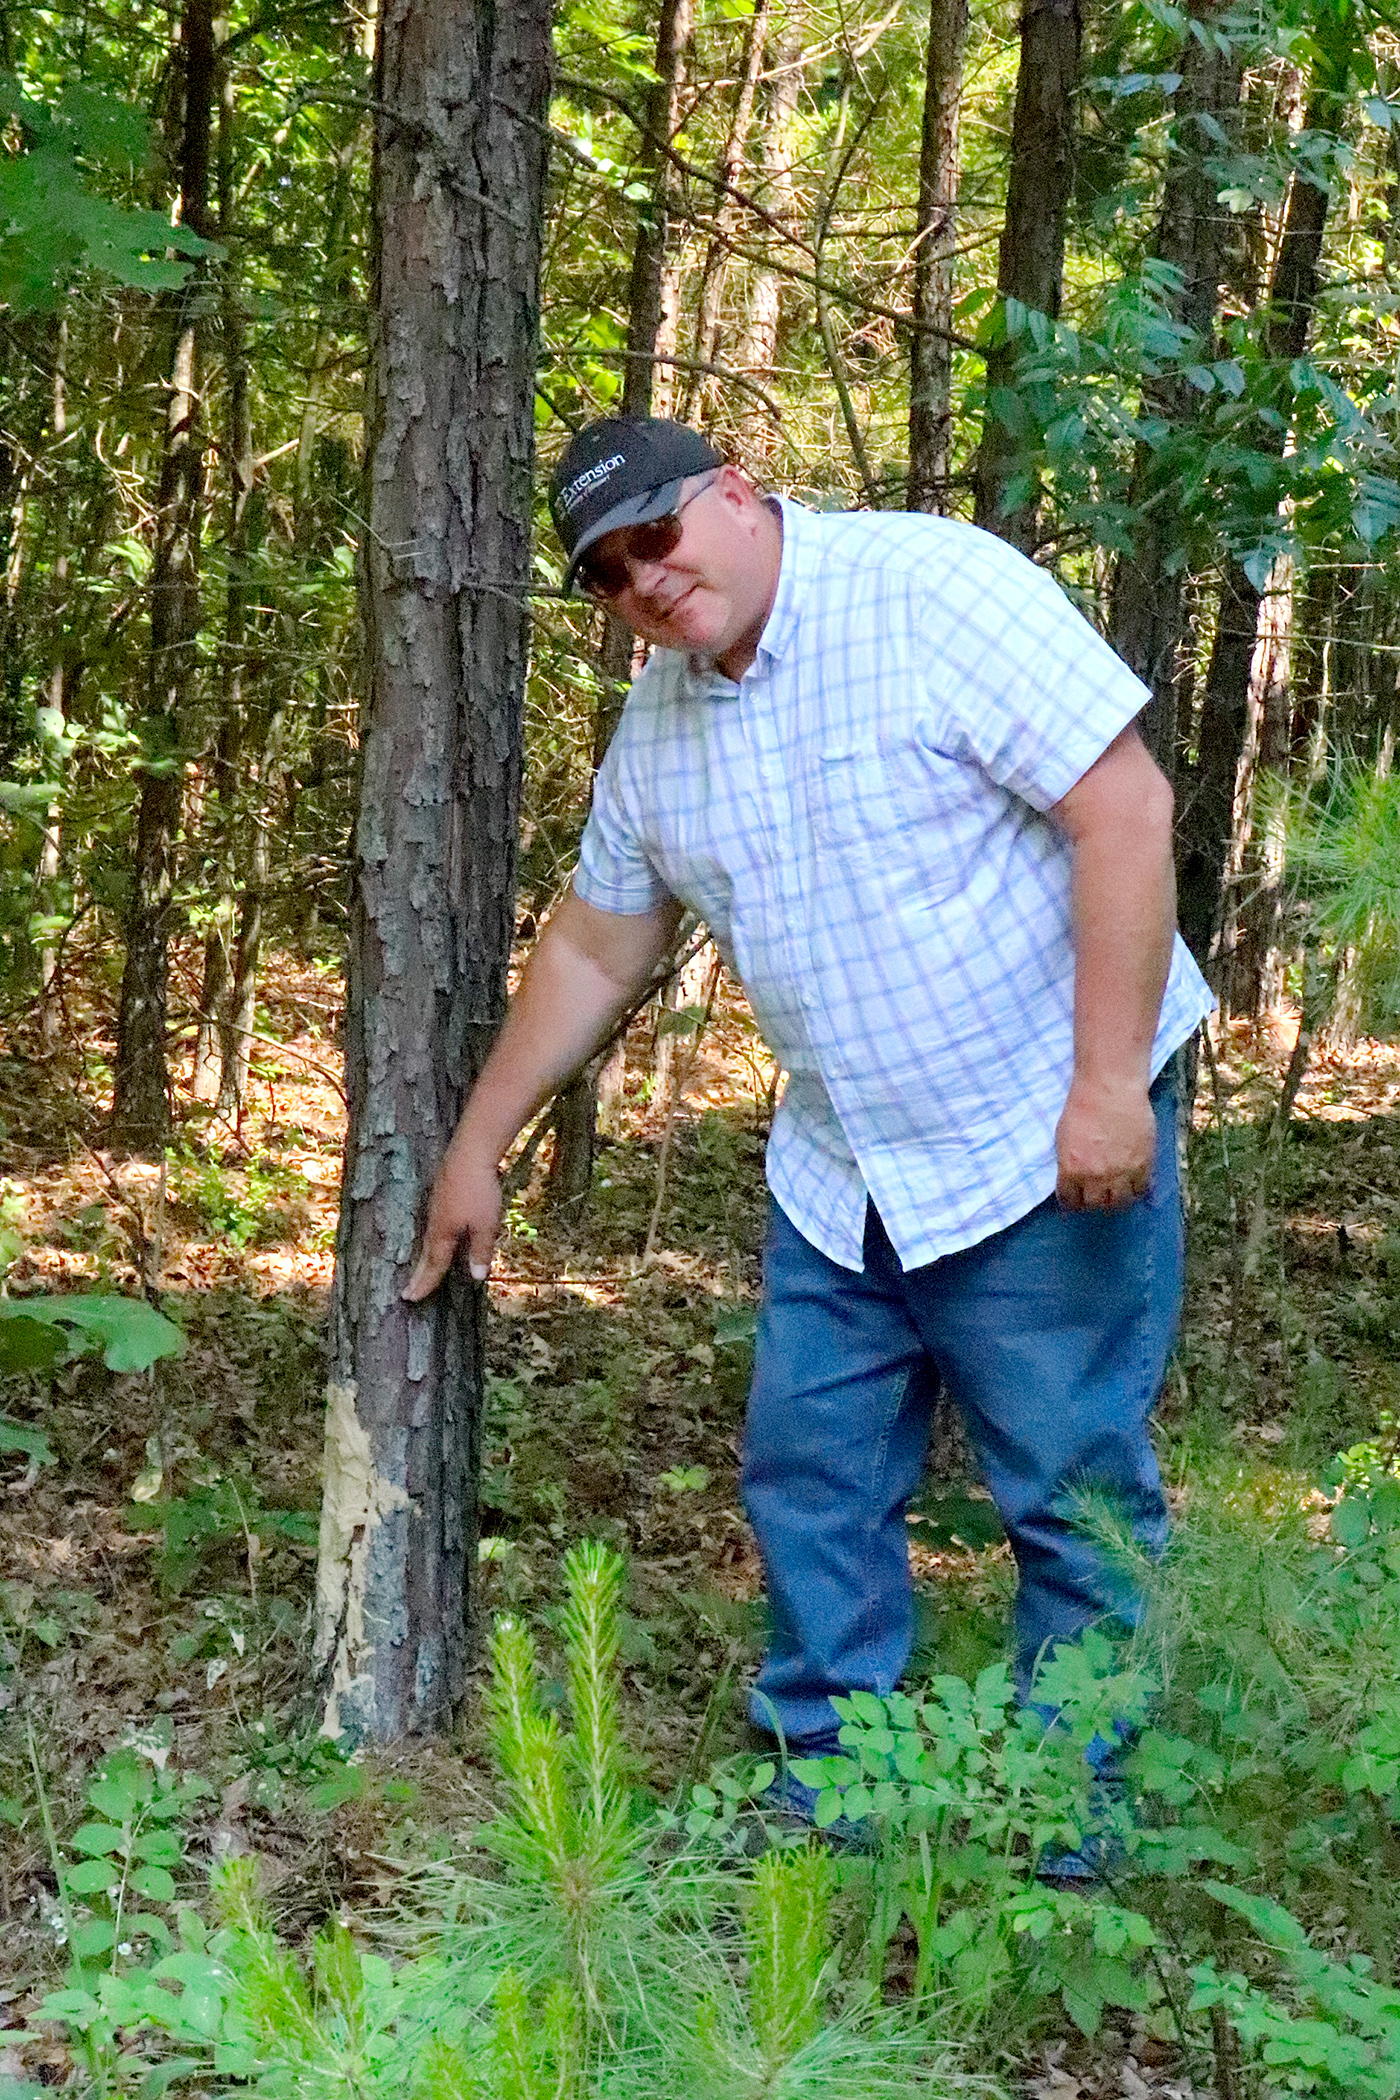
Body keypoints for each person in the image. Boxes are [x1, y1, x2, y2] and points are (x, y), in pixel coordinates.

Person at [404, 416, 1214, 1796]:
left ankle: (1076, 1834)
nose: (645, 581)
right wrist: (479, 1147)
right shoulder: (659, 730)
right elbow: (599, 943)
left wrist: (1104, 1089)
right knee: (811, 1482)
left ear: (735, 487)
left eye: (656, 534)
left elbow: (1124, 809)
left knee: (1073, 1500)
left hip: (1035, 1135)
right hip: (845, 1177)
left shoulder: (930, 589)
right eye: (607, 573)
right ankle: (826, 1795)